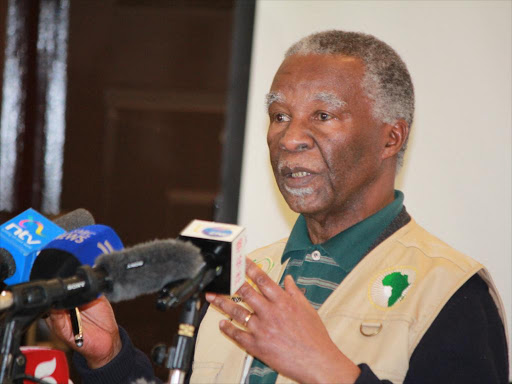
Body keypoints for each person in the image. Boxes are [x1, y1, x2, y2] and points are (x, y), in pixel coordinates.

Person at [47, 30, 509, 384]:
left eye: (322, 116)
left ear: (392, 136)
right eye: (280, 115)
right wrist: (108, 359)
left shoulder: (450, 291)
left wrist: (331, 371)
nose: (289, 138)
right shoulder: (240, 275)